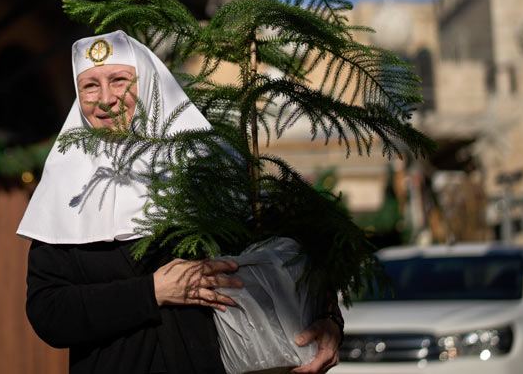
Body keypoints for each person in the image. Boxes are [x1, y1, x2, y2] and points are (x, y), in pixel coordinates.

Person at [17, 31, 342, 374]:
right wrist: (151, 292)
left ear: (149, 83)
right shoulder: (67, 188)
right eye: (90, 86)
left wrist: (330, 318)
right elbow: (48, 313)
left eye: (120, 81)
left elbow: (296, 256)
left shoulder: (206, 163)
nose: (106, 99)